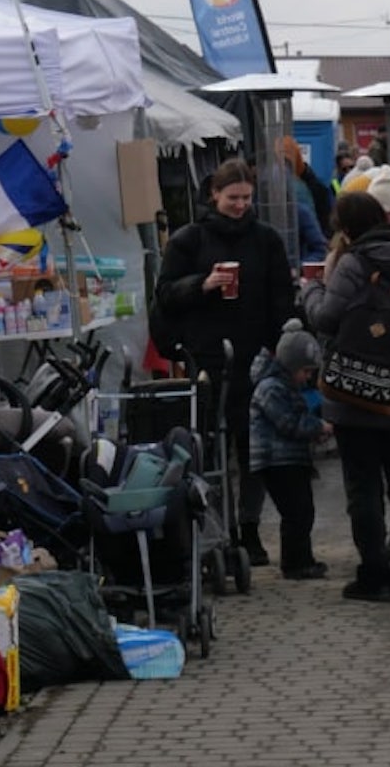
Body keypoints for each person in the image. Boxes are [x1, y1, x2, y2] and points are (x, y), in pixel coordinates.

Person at [152, 158, 295, 566]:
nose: (240, 205)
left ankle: (249, 529)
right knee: (210, 449)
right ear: (214, 195)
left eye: (247, 198)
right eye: (233, 198)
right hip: (207, 359)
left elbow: (281, 296)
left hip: (256, 359)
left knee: (254, 450)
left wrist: (280, 346)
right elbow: (164, 296)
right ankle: (215, 531)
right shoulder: (189, 240)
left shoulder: (266, 239)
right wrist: (204, 284)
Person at [301, 188, 390, 602]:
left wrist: (310, 290)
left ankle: (374, 575)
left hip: (357, 390)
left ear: (345, 228)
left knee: (363, 488)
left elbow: (326, 318)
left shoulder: (354, 263)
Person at [248, 319, 332, 580]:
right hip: (277, 460)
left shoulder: (286, 386)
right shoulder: (271, 387)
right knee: (296, 512)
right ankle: (295, 563)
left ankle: (302, 559)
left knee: (302, 510)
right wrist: (318, 427)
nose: (307, 377)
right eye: (305, 371)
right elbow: (289, 423)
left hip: (290, 458)